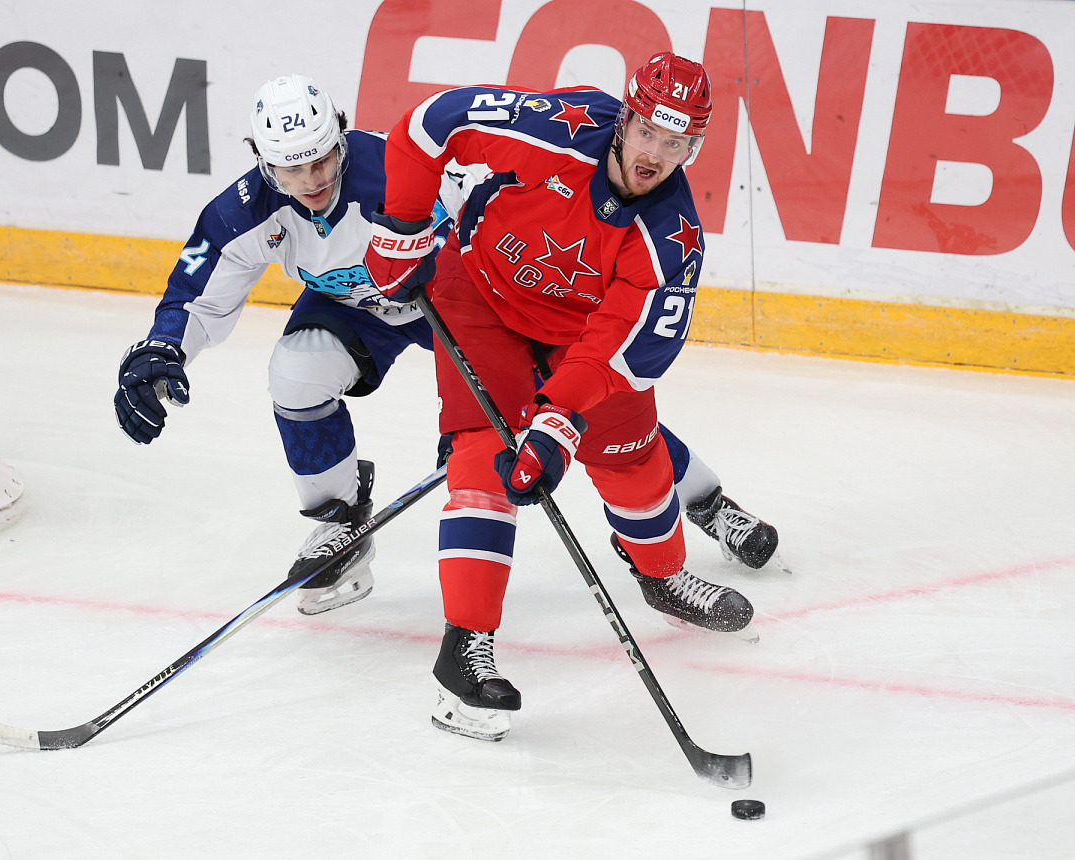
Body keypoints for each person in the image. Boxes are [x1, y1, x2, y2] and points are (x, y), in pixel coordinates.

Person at [364, 54, 780, 741]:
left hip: (580, 340)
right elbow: (428, 125)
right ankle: (464, 652)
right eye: (647, 132)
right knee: (483, 455)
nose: (654, 155)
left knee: (633, 456)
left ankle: (662, 578)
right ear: (625, 118)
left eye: (675, 143)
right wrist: (403, 228)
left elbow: (624, 350)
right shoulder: (557, 127)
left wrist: (557, 420)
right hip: (481, 295)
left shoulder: (671, 238)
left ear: (694, 148)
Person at [114, 74, 465, 615]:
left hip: (455, 299)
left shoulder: (397, 172)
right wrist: (161, 349)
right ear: (263, 162)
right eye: (292, 168)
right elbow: (197, 298)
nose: (313, 179)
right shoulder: (243, 212)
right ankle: (340, 520)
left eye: (322, 160)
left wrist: (478, 404)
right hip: (352, 308)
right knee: (296, 373)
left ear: (340, 138)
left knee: (544, 409)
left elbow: (485, 261)